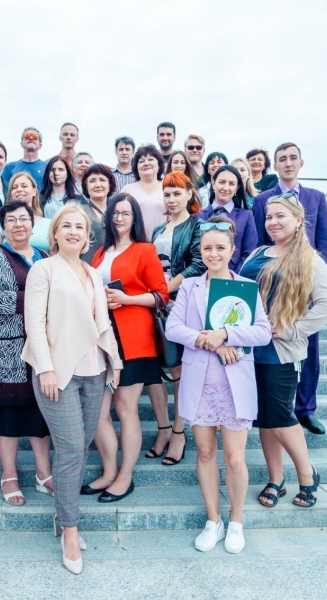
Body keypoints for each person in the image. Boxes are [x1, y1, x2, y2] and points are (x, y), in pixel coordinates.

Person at [22, 202, 122, 575]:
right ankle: (70, 530)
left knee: (80, 448)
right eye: (66, 225)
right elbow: (34, 322)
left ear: (87, 237)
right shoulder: (43, 269)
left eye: (80, 227)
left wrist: (114, 362)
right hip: (58, 372)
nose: (73, 232)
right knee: (69, 448)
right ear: (55, 233)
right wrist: (46, 369)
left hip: (94, 370)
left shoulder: (93, 273)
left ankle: (62, 515)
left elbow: (101, 322)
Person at [165, 215, 272, 553]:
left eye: (220, 248)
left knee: (236, 459)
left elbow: (263, 332)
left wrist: (226, 334)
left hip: (234, 381)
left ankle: (236, 521)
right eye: (207, 248)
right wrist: (208, 341)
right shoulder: (190, 286)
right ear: (200, 250)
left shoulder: (246, 288)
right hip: (201, 381)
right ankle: (213, 520)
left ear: (232, 250)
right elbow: (173, 328)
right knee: (206, 452)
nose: (213, 254)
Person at [240, 194, 327, 511]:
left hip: (280, 353)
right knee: (266, 420)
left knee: (281, 416)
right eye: (269, 217)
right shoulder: (258, 253)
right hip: (249, 350)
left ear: (298, 220)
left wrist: (292, 329)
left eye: (280, 216)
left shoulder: (310, 259)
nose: (272, 222)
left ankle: (307, 476)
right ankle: (276, 479)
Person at [85, 194, 169, 503]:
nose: (119, 218)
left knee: (124, 407)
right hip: (101, 336)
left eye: (126, 213)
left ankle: (125, 476)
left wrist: (127, 299)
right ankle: (109, 471)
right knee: (96, 410)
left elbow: (161, 295)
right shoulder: (99, 253)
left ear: (135, 218)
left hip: (134, 338)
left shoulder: (144, 250)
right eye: (115, 213)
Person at [0, 201, 54, 506]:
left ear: (33, 224)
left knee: (40, 411)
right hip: (6, 349)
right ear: (3, 226)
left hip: (42, 349)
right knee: (7, 412)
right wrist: (30, 300)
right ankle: (9, 474)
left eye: (24, 219)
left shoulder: (45, 257)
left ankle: (43, 473)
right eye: (11, 220)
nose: (18, 224)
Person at [252, 143, 327, 435]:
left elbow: (324, 241)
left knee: (308, 348)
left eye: (292, 158)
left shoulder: (316, 197)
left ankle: (306, 409)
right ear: (274, 166)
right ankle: (275, 409)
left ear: (301, 163)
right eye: (282, 159)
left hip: (305, 283)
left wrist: (322, 285)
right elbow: (259, 241)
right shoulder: (262, 200)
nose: (288, 163)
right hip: (274, 283)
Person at [144, 172, 206, 465]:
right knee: (153, 369)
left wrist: (165, 288)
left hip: (180, 302)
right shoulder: (159, 229)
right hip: (154, 303)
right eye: (167, 194)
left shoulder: (197, 226)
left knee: (178, 367)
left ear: (189, 194)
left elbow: (198, 264)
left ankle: (179, 432)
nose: (171, 199)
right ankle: (163, 429)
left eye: (177, 193)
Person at [198, 165, 258, 273]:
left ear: (237, 188)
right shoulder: (199, 216)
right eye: (222, 182)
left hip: (235, 276)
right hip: (203, 276)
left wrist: (232, 277)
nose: (226, 188)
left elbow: (249, 252)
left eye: (231, 184)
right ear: (213, 183)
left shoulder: (246, 216)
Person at [0, 172, 51, 253]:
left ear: (34, 191)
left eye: (24, 186)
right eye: (14, 187)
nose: (19, 189)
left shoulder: (49, 224)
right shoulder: (0, 222)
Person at [120, 145, 166, 235]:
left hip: (163, 240)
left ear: (159, 165)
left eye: (151, 159)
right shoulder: (127, 190)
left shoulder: (167, 187)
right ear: (136, 168)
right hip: (135, 240)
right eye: (141, 161)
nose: (146, 163)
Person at [78, 163, 116, 263]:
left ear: (109, 185)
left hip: (114, 267)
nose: (98, 185)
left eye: (102, 180)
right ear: (86, 186)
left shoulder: (117, 212)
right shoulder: (79, 212)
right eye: (92, 181)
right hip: (85, 266)